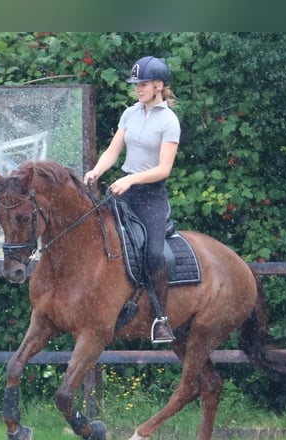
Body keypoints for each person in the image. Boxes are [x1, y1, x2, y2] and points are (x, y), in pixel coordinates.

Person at [84, 56, 180, 344]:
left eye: (144, 84)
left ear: (159, 86)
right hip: (122, 191)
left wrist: (130, 179)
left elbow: (164, 168)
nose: (138, 88)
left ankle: (161, 318)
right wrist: (96, 171)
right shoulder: (130, 114)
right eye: (136, 84)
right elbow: (113, 151)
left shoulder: (169, 121)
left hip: (150, 196)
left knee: (154, 254)